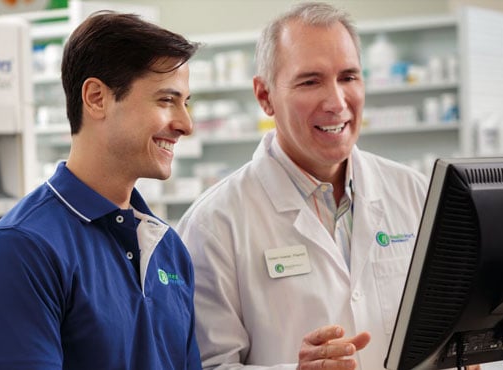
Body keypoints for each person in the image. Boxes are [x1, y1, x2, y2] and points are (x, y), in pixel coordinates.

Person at [176, 2, 429, 369]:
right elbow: (207, 365)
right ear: (265, 96)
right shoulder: (214, 223)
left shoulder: (416, 193)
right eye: (310, 81)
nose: (336, 102)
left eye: (348, 77)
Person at [0, 11, 201, 370]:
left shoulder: (168, 248)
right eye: (166, 100)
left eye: (186, 103)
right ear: (96, 98)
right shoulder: (20, 251)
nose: (185, 124)